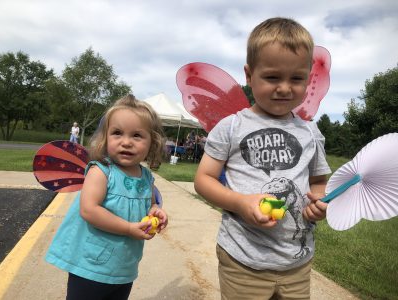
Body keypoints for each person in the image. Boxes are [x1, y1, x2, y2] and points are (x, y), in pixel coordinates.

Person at [194, 17, 331, 299]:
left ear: (308, 77)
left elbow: (318, 182)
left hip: (297, 262)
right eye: (272, 77)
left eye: (296, 78)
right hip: (243, 260)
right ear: (249, 74)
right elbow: (203, 180)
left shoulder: (311, 133)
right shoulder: (231, 127)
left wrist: (320, 202)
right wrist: (241, 203)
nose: (284, 88)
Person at [46, 94, 168, 300]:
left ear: (152, 143)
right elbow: (89, 210)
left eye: (137, 135)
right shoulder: (101, 172)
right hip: (91, 264)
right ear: (105, 138)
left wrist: (155, 210)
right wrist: (129, 228)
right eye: (117, 133)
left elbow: (151, 203)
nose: (126, 142)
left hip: (124, 265)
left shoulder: (146, 176)